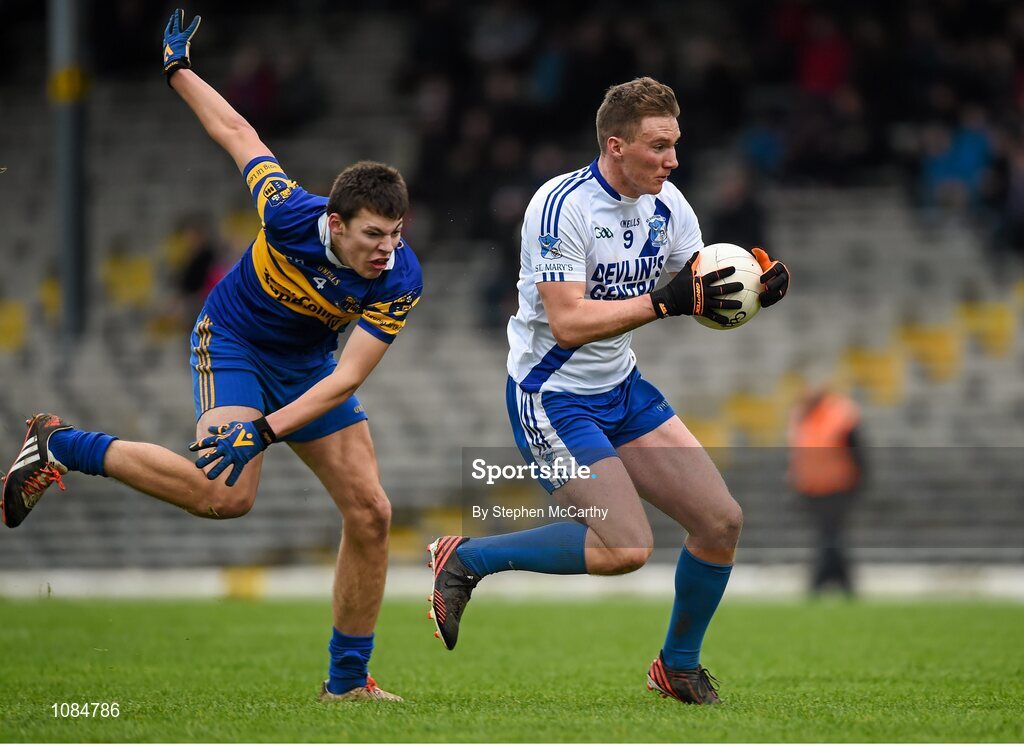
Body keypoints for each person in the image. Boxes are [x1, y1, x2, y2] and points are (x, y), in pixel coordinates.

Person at [2, 9, 422, 703]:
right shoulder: (289, 212)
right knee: (225, 495)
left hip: (310, 366)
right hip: (232, 342)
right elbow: (239, 134)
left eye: (397, 234)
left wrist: (266, 427)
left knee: (372, 511)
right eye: (375, 234)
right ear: (337, 223)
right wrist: (179, 69)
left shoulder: (402, 277)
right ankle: (59, 444)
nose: (387, 249)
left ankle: (346, 685)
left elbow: (348, 376)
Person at [428, 77, 790, 705]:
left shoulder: (670, 206)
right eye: (659, 146)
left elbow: (701, 291)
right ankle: (467, 558)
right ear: (616, 145)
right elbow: (568, 321)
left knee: (720, 522)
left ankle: (677, 668)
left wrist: (753, 289)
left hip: (620, 387)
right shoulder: (559, 205)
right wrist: (664, 301)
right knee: (625, 547)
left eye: (675, 145)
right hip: (552, 395)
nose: (672, 160)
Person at [788, 384, 865, 597]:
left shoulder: (840, 415)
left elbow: (857, 452)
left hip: (838, 487)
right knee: (830, 536)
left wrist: (858, 484)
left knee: (830, 537)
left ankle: (821, 582)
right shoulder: (802, 416)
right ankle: (841, 583)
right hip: (813, 489)